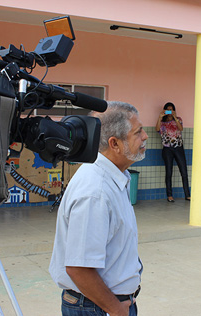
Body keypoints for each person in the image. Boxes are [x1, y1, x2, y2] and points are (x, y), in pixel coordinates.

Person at [49, 101, 148, 316]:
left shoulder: (115, 177)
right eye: (138, 132)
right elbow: (79, 268)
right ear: (115, 144)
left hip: (107, 304)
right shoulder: (96, 192)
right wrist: (116, 310)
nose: (145, 137)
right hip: (97, 307)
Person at [155, 102, 190, 202]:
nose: (170, 112)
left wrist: (175, 117)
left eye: (172, 110)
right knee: (169, 172)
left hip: (179, 147)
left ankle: (187, 194)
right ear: (164, 110)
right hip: (167, 149)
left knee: (184, 171)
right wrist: (160, 117)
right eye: (168, 110)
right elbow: (157, 129)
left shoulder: (179, 119)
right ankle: (169, 195)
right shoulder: (162, 122)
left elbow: (181, 128)